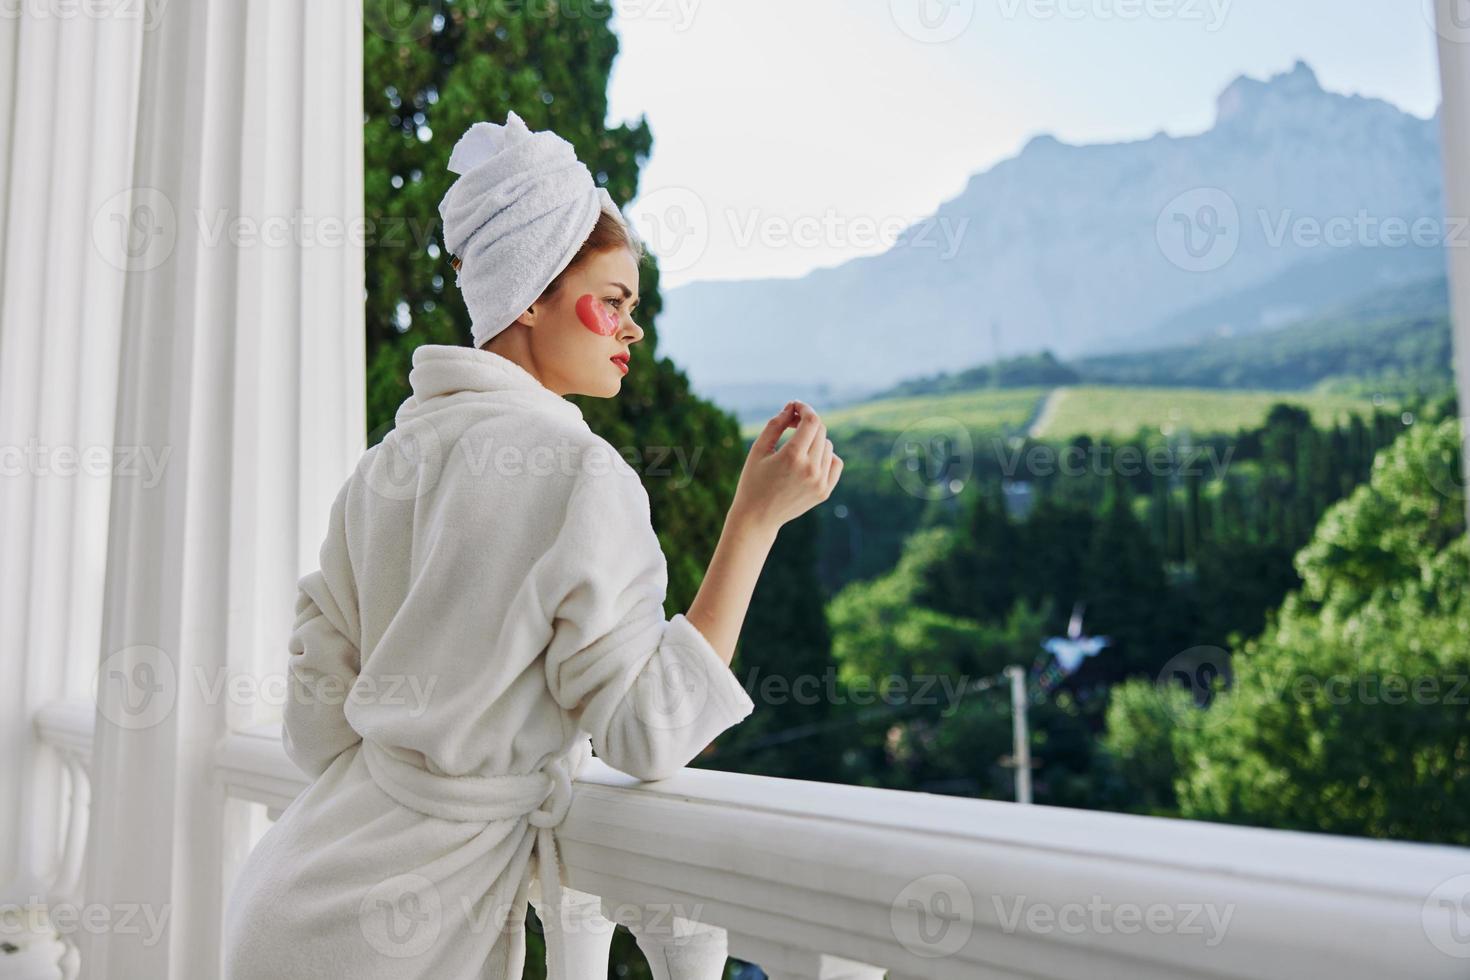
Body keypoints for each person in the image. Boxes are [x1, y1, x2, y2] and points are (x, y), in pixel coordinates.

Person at [222, 111, 842, 979]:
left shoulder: (386, 464)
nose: (633, 330)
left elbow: (316, 724)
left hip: (287, 901)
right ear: (529, 293)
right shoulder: (579, 474)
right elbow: (647, 731)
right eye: (616, 302)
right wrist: (754, 521)